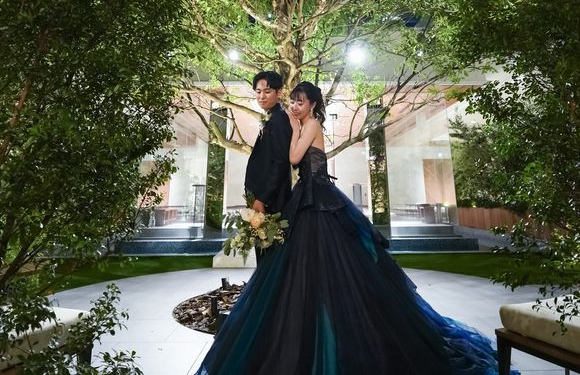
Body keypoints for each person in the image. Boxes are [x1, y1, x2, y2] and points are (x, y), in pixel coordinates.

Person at [196, 82, 518, 375]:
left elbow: (294, 158)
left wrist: (293, 127)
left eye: (300, 102)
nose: (294, 106)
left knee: (333, 264)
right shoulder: (304, 124)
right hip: (306, 197)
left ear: (312, 105)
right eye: (292, 101)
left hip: (318, 199)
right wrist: (294, 127)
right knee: (306, 267)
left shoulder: (312, 124)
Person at [244, 71, 292, 262]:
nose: (261, 96)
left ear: (279, 93)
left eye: (267, 91)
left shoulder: (279, 120)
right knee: (264, 256)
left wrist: (262, 199)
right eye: (258, 91)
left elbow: (280, 163)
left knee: (269, 257)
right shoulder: (271, 118)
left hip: (271, 202)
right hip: (261, 200)